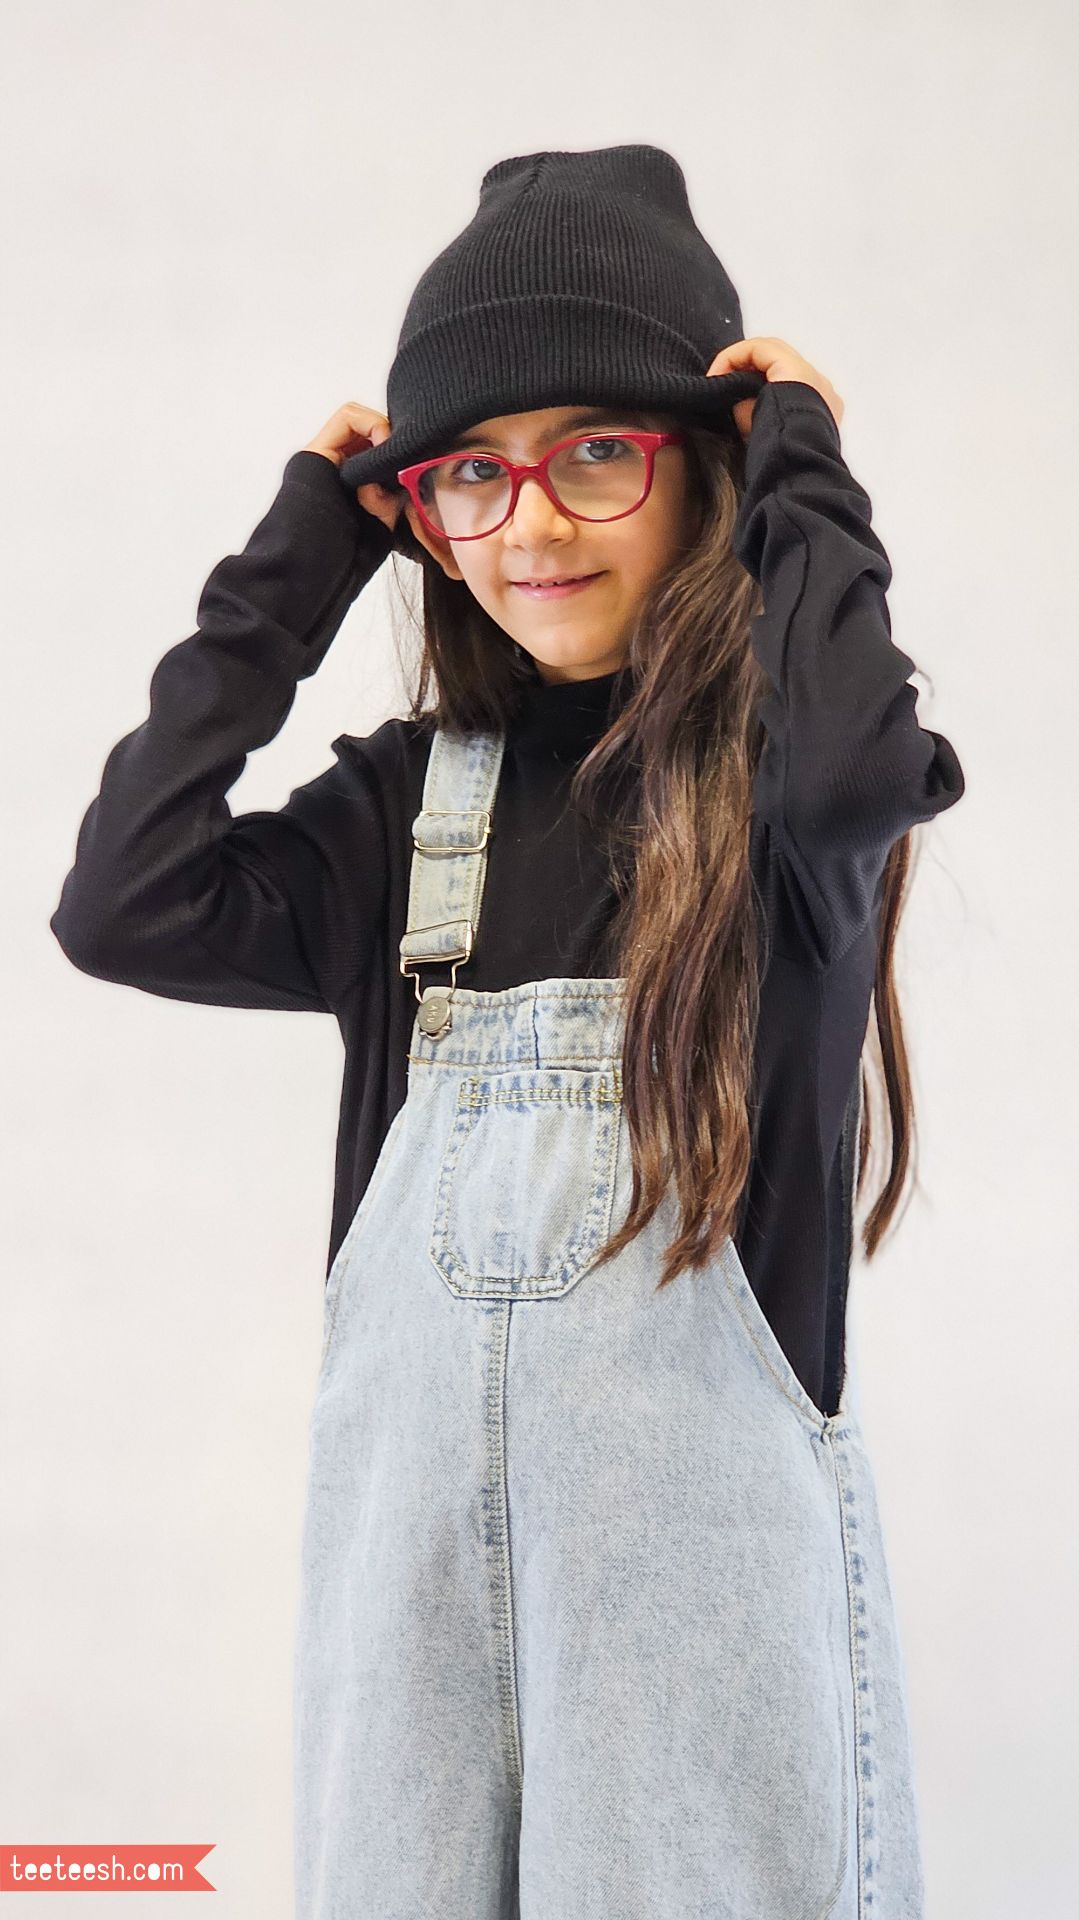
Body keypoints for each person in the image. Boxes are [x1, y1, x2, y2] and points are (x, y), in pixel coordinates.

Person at [50, 145, 965, 1918]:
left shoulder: (778, 814)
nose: (529, 527)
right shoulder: (410, 815)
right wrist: (299, 565)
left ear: (704, 464)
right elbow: (121, 902)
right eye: (471, 473)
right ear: (417, 512)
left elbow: (860, 767)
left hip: (698, 1692)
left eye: (595, 453)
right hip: (410, 1657)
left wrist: (805, 469)